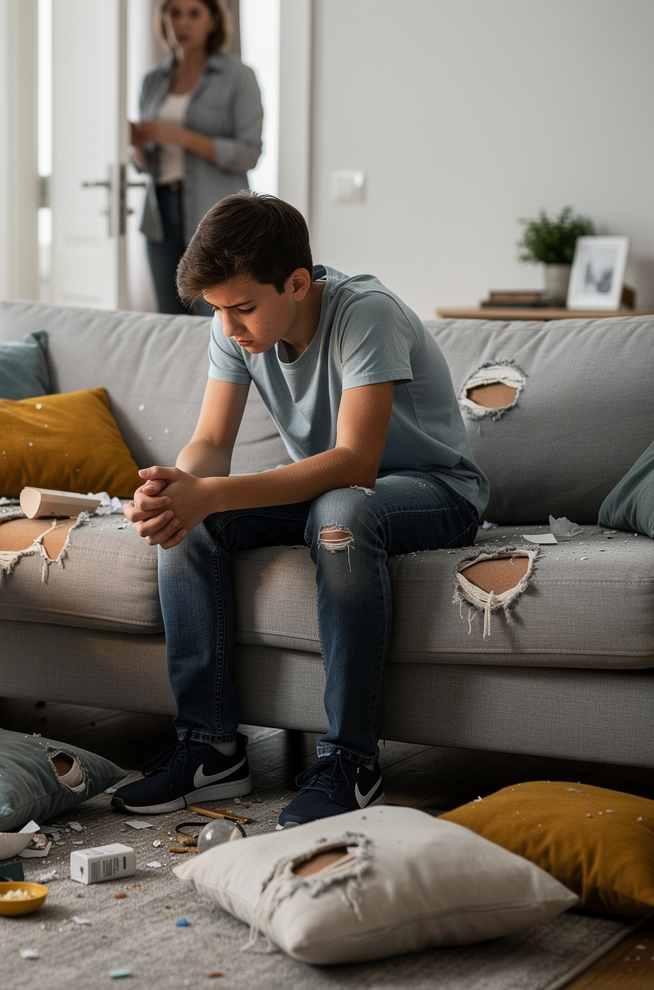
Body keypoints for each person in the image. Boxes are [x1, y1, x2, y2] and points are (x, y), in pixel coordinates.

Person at [114, 192, 489, 825]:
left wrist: (212, 494)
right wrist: (176, 489)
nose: (230, 327)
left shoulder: (367, 314)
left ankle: (352, 762)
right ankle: (210, 749)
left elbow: (355, 463)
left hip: (434, 492)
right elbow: (210, 444)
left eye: (242, 309)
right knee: (189, 523)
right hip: (329, 494)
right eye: (219, 312)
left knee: (341, 512)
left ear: (295, 282)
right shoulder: (232, 324)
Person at [131, 0, 262, 315]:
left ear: (213, 20)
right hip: (159, 216)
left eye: (194, 13)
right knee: (168, 326)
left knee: (216, 321)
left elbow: (249, 153)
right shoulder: (152, 82)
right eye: (175, 13)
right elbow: (146, 164)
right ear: (164, 18)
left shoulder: (239, 77)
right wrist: (139, 149)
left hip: (215, 216)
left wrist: (180, 136)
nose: (182, 23)